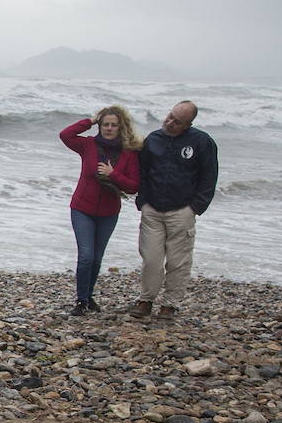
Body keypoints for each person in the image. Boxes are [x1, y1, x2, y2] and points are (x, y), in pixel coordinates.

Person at [128, 100, 218, 321]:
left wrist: (195, 207)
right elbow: (143, 171)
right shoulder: (154, 139)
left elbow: (209, 176)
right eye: (169, 116)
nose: (169, 123)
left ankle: (170, 305)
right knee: (151, 259)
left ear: (188, 124)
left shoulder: (201, 142)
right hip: (153, 209)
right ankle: (145, 300)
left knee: (178, 261)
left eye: (177, 122)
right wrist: (143, 201)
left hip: (182, 210)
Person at [60, 106, 141, 316]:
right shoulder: (88, 145)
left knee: (96, 258)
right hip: (82, 208)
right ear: (100, 125)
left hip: (109, 212)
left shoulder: (128, 153)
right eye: (105, 124)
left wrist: (113, 174)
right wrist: (90, 120)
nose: (109, 128)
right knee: (86, 255)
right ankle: (81, 300)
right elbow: (65, 135)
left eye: (114, 125)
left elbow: (133, 186)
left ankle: (88, 296)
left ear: (120, 127)